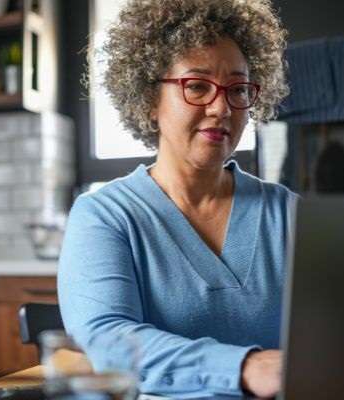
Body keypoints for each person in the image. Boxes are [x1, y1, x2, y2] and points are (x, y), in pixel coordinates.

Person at [58, 0, 294, 397]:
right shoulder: (104, 216)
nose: (221, 108)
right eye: (197, 86)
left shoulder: (287, 212)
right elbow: (107, 340)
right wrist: (244, 367)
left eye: (238, 89)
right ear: (150, 100)